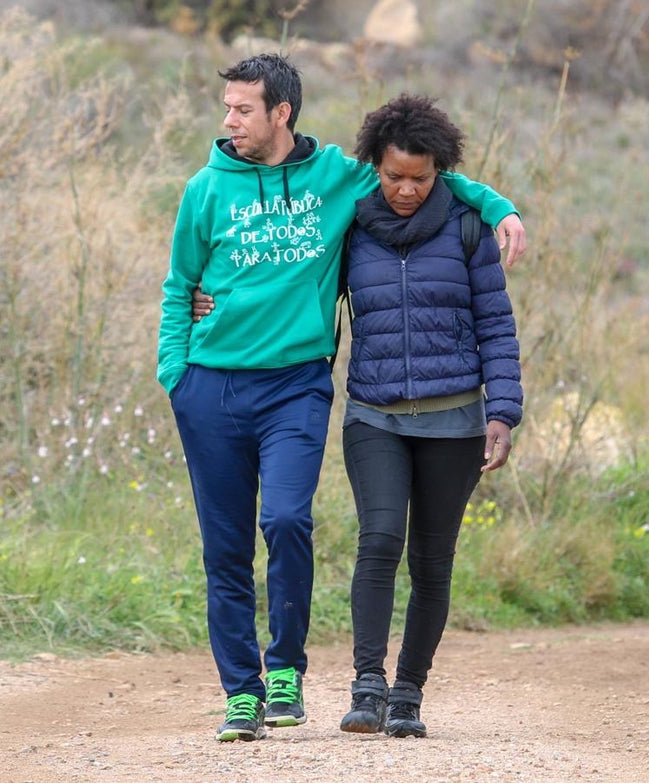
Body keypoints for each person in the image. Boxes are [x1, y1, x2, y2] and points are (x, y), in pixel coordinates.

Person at [157, 53, 526, 743]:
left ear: (281, 112)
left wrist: (499, 206)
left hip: (299, 383)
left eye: (243, 108)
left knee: (291, 521)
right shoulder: (207, 189)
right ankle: (246, 691)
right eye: (228, 107)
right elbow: (179, 285)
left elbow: (425, 172)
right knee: (228, 548)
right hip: (216, 387)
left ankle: (297, 669)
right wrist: (174, 375)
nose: (228, 119)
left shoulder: (337, 179)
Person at [334, 94, 523, 739]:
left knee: (432, 562)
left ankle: (408, 692)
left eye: (421, 177)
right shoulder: (350, 225)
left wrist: (502, 413)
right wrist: (213, 297)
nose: (407, 189)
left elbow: (497, 327)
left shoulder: (468, 226)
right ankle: (366, 685)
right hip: (374, 416)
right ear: (375, 169)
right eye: (395, 177)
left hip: (455, 422)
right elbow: (292, 288)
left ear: (440, 171)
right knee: (380, 539)